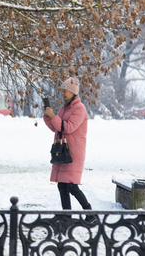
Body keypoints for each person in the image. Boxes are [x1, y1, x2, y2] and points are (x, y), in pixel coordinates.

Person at [43, 77, 92, 212]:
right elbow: (56, 127)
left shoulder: (79, 109)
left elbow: (68, 128)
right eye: (62, 91)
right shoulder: (64, 108)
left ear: (73, 92)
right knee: (62, 185)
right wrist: (48, 116)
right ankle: (66, 215)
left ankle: (90, 213)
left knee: (71, 186)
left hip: (73, 152)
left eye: (65, 92)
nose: (63, 94)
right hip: (63, 150)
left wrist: (54, 116)